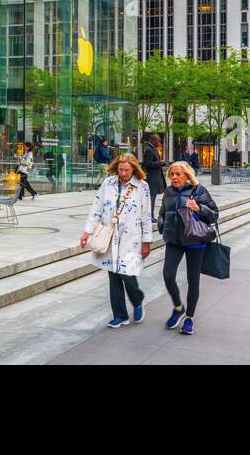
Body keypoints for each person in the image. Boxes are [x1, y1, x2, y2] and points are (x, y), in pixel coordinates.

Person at [80, 153, 154, 328]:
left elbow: (146, 216)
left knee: (127, 274)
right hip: (110, 237)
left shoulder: (142, 187)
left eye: (127, 170)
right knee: (113, 276)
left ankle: (137, 299)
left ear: (134, 169)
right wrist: (86, 232)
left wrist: (147, 242)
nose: (123, 173)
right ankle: (120, 315)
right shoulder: (108, 184)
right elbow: (96, 209)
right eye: (120, 169)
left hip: (131, 239)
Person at [157, 162, 219, 336]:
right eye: (172, 174)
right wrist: (162, 225)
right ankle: (178, 308)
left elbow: (214, 214)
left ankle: (189, 318)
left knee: (193, 280)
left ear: (187, 175)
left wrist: (199, 208)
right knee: (168, 275)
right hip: (174, 241)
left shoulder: (198, 190)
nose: (174, 177)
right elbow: (162, 212)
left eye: (178, 174)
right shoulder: (168, 192)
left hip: (195, 241)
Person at [143, 134, 166, 207]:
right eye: (158, 142)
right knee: (151, 199)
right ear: (153, 141)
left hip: (154, 178)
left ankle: (152, 216)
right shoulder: (149, 150)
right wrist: (160, 162)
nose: (159, 144)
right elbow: (148, 164)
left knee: (153, 198)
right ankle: (151, 217)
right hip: (151, 179)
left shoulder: (153, 149)